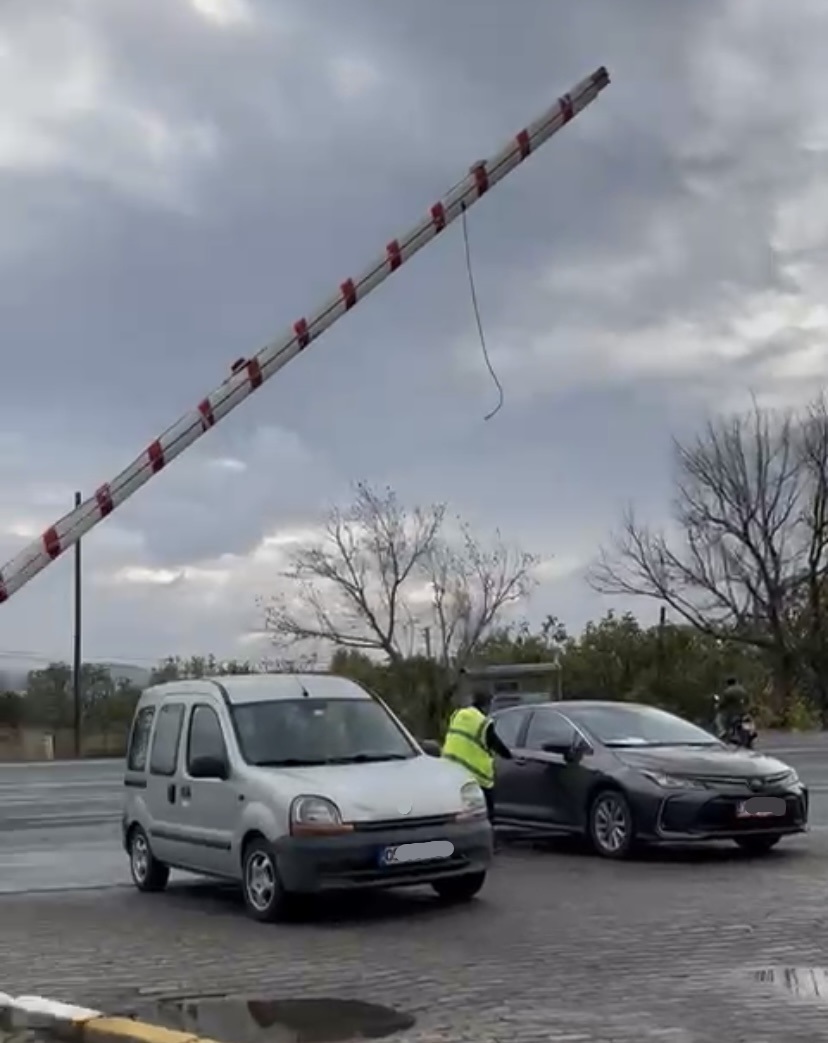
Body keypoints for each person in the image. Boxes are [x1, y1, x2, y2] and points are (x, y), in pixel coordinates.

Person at [441, 688, 512, 823]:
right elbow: (495, 744)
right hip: (476, 775)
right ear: (487, 704)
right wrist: (509, 755)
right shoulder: (483, 722)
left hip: (451, 770)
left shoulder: (458, 714)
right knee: (486, 814)